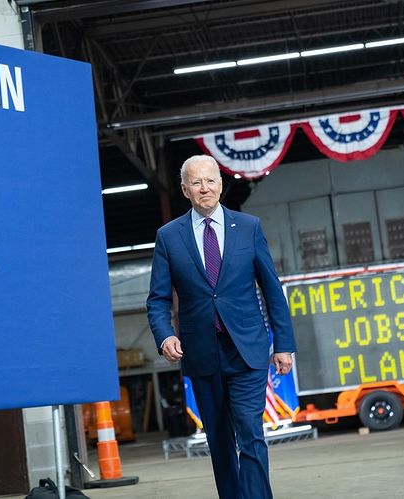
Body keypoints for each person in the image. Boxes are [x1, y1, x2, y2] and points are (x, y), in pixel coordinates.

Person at [147, 154, 296, 499]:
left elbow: (271, 288)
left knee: (249, 430)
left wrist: (284, 344)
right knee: (219, 438)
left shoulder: (248, 227)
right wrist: (165, 334)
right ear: (185, 190)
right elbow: (157, 299)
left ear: (221, 183)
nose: (205, 188)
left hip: (247, 349)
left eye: (211, 180)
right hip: (202, 352)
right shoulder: (169, 237)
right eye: (196, 183)